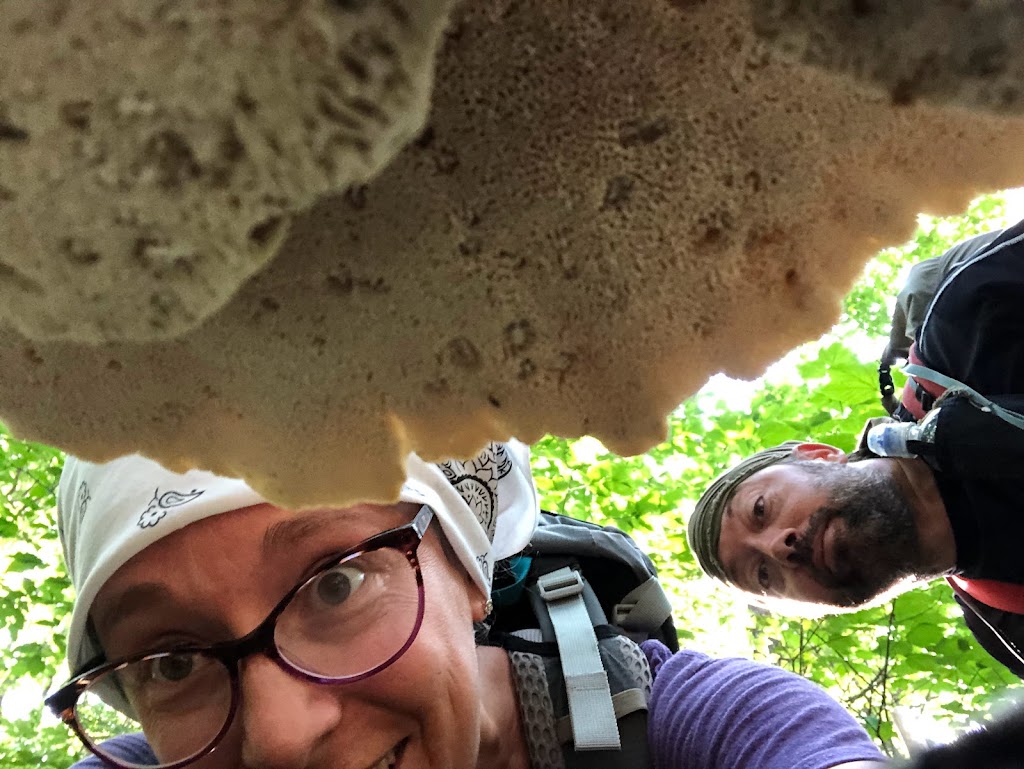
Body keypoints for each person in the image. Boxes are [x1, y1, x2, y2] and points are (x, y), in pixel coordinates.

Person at [47, 441, 886, 769]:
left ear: (466, 566)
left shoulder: (696, 725)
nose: (279, 738)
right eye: (171, 661)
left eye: (335, 582)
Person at [688, 219, 1024, 677]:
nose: (778, 547)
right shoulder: (1009, 631)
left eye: (761, 509)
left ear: (817, 454)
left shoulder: (971, 329)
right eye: (764, 576)